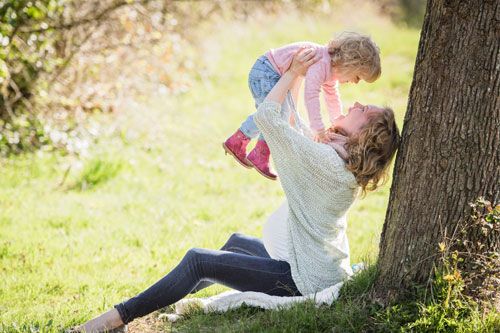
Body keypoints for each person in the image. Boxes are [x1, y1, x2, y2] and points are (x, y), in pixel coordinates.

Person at [76, 48, 399, 332]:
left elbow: (268, 118)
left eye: (364, 110)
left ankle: (116, 319)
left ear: (365, 134)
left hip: (300, 281)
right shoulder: (337, 159)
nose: (356, 102)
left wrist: (291, 73)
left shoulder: (325, 163)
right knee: (236, 244)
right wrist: (299, 77)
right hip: (311, 266)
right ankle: (157, 299)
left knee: (198, 261)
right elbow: (296, 129)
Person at [223, 32, 381, 180]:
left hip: (270, 73)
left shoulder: (330, 69)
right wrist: (318, 128)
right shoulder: (322, 62)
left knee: (275, 115)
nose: (355, 82)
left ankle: (256, 151)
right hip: (266, 72)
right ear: (351, 64)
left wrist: (336, 120)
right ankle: (245, 144)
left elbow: (332, 96)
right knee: (273, 114)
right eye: (358, 77)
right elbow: (311, 95)